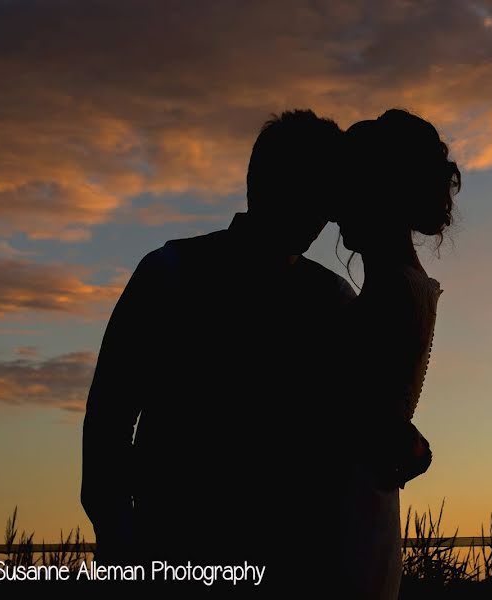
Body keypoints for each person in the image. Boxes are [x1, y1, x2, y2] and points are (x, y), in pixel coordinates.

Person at [81, 110, 355, 572]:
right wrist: (120, 538)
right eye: (311, 190)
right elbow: (110, 416)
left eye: (327, 196)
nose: (323, 216)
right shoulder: (168, 273)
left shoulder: (334, 299)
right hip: (174, 547)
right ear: (263, 183)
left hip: (294, 559)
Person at [334, 108, 460, 599]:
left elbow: (355, 420)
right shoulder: (401, 285)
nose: (337, 208)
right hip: (365, 509)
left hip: (346, 517)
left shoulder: (391, 291)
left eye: (349, 189)